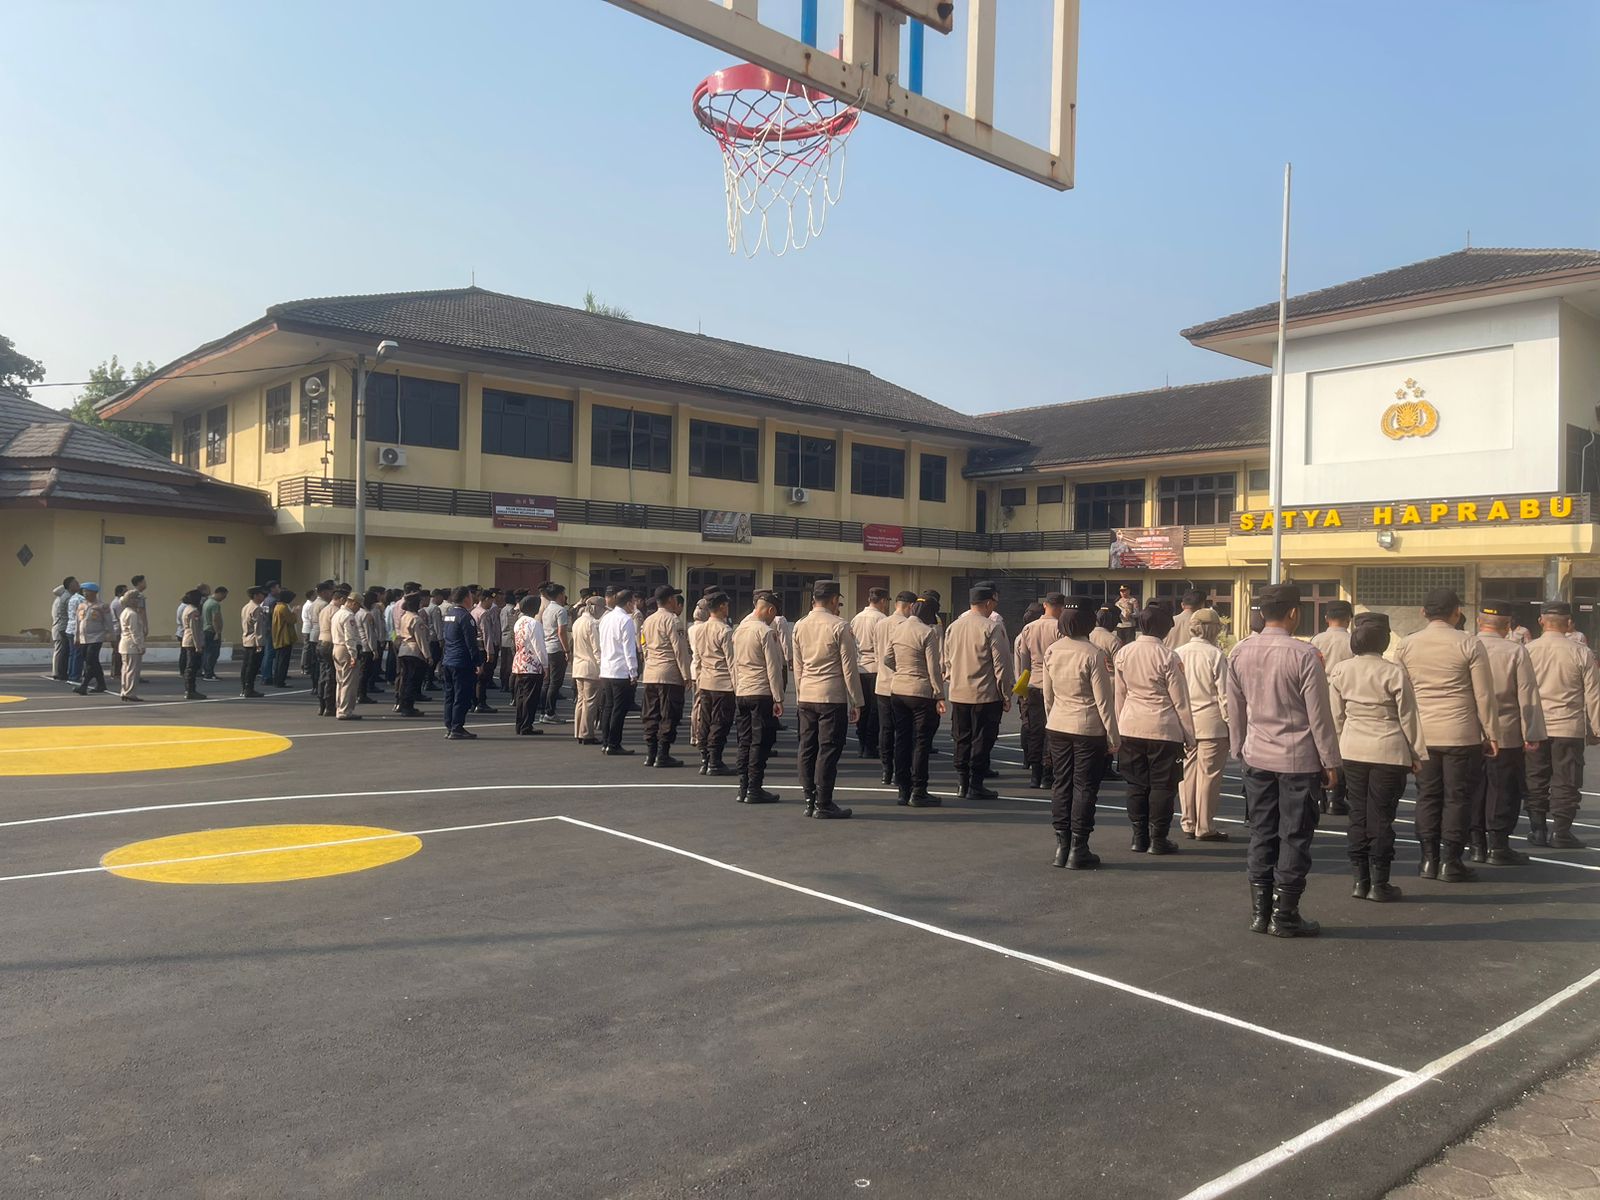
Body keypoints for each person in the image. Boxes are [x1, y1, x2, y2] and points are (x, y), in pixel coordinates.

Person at [1226, 582, 1341, 937]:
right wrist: (1330, 761)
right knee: (1294, 836)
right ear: (1294, 612)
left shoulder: (1239, 652)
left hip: (1256, 755)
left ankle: (1260, 913)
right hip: (1297, 759)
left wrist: (1238, 748)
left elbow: (1235, 708)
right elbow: (1319, 716)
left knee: (1261, 832)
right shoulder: (1304, 655)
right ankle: (1285, 914)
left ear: (1262, 613)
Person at [1394, 587, 1500, 882]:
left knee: (1427, 795)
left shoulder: (1407, 645)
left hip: (1423, 734)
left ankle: (1428, 859)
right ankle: (1451, 860)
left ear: (1423, 612)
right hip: (1461, 733)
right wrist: (1491, 732)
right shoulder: (1469, 643)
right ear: (1457, 612)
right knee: (1458, 797)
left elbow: (1402, 694)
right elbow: (1483, 694)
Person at [1328, 612, 1427, 902]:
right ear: (1384, 642)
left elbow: (1336, 716)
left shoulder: (1341, 670)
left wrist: (1337, 748)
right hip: (1388, 749)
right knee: (1381, 816)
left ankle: (1360, 880)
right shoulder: (1393, 672)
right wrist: (1417, 753)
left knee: (1357, 813)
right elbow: (1408, 717)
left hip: (1352, 749)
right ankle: (1380, 883)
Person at [1041, 597, 1117, 869]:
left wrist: (1053, 719)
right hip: (1087, 727)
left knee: (1061, 783)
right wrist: (1113, 736)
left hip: (1058, 724)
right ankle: (1078, 847)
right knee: (1084, 787)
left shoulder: (1052, 650)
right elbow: (1104, 701)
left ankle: (1061, 845)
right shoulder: (1094, 653)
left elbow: (1048, 695)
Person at [1114, 604, 1196, 855]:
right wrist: (1190, 735)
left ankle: (1138, 836)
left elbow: (1120, 694)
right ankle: (1158, 838)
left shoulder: (1124, 653)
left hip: (1131, 725)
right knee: (1163, 786)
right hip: (1163, 727)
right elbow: (1180, 700)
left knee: (1136, 784)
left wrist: (1118, 726)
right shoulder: (1169, 656)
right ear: (1165, 629)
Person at [1470, 600, 1545, 864]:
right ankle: (1498, 845)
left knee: (1473, 788)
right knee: (1504, 789)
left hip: (1470, 730)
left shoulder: (1466, 645)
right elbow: (1527, 694)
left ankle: (1476, 844)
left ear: (1479, 621)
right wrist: (1532, 733)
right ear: (1508, 625)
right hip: (1506, 731)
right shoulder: (1515, 651)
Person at [1525, 600, 1600, 849]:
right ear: (1568, 623)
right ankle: (1561, 832)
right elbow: (1594, 695)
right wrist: (1597, 728)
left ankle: (1537, 829)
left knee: (1535, 778)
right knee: (1566, 780)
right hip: (1568, 726)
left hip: (1535, 726)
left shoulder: (1527, 651)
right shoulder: (1581, 652)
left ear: (1541, 621)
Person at [792, 579, 862, 819]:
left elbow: (798, 666)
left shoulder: (800, 625)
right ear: (834, 600)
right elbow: (849, 668)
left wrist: (800, 693)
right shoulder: (840, 626)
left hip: (807, 693)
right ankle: (824, 802)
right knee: (828, 749)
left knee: (807, 748)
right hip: (831, 695)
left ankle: (809, 799)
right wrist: (856, 701)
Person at [944, 584, 1015, 800]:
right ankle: (975, 784)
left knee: (961, 738)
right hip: (985, 693)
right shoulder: (992, 627)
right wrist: (1006, 694)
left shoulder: (953, 626)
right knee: (982, 739)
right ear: (988, 603)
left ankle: (962, 782)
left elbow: (947, 661)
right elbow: (1002, 665)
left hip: (959, 693)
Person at [884, 593, 946, 808]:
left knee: (902, 739)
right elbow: (933, 668)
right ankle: (919, 790)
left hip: (898, 690)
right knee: (921, 742)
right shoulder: (927, 633)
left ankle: (903, 789)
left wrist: (902, 671)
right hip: (920, 692)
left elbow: (887, 658)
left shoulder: (898, 629)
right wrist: (939, 694)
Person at [1175, 608, 1230, 842]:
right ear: (1211, 629)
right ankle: (1205, 826)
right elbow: (1225, 695)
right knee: (1209, 776)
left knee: (1187, 774)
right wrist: (1232, 724)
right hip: (1212, 723)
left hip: (1184, 723)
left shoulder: (1178, 653)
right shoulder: (1215, 655)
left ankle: (1188, 821)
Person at [732, 591, 787, 804]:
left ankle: (743, 786)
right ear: (770, 610)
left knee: (744, 740)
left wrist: (737, 688)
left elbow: (734, 664)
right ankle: (755, 788)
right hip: (761, 692)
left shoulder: (739, 630)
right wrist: (778, 698)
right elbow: (773, 668)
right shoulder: (765, 631)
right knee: (760, 741)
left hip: (742, 691)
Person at [1014, 592, 1066, 789]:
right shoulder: (1060, 628)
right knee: (1052, 731)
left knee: (1035, 731)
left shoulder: (1029, 628)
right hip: (1054, 685)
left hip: (1033, 684)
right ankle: (1047, 774)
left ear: (1045, 605)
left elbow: (1024, 662)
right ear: (1061, 607)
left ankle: (1034, 774)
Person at [1310, 600, 1356, 815]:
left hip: (1318, 695)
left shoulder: (1316, 640)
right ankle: (1336, 798)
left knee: (1318, 744)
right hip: (1344, 697)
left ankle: (1318, 796)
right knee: (1341, 746)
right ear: (1349, 619)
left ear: (1326, 618)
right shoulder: (1352, 641)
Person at [640, 585, 691, 767]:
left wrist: (649, 662)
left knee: (651, 714)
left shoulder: (648, 620)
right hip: (669, 673)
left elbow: (643, 645)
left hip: (650, 672)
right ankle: (663, 754)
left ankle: (650, 753)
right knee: (669, 714)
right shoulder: (673, 621)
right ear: (670, 600)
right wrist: (686, 675)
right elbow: (680, 650)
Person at [872, 591, 916, 786]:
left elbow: (877, 654)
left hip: (882, 682)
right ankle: (901, 771)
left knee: (886, 729)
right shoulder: (906, 625)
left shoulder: (881, 624)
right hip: (902, 684)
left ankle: (886, 770)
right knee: (904, 731)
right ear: (911, 606)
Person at [690, 591, 736, 775]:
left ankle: (705, 758)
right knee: (720, 722)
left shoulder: (699, 629)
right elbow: (732, 662)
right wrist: (738, 687)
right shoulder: (725, 631)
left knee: (705, 721)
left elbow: (698, 658)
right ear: (722, 606)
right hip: (722, 683)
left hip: (705, 681)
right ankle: (715, 761)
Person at [597, 588, 640, 755]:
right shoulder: (626, 620)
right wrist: (633, 671)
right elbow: (629, 648)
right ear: (629, 603)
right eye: (633, 602)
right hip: (620, 670)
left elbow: (602, 644)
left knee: (608, 707)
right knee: (619, 709)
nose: (634, 606)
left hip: (606, 669)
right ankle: (614, 744)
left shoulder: (606, 618)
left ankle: (606, 742)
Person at [850, 587, 891, 759]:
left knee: (862, 707)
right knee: (875, 711)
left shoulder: (856, 618)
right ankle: (870, 745)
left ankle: (861, 744)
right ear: (883, 601)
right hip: (875, 668)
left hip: (859, 667)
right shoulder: (882, 619)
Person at [438, 586, 483, 739]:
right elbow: (471, 642)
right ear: (465, 598)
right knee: (462, 696)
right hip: (462, 661)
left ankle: (450, 726)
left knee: (450, 695)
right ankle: (457, 727)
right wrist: (477, 662)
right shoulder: (465, 617)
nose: (472, 599)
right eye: (470, 596)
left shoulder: (449, 615)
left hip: (449, 660)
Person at [508, 594, 548, 735]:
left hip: (519, 663)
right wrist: (545, 665)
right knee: (531, 698)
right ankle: (527, 726)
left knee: (521, 696)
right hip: (532, 665)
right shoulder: (534, 624)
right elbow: (539, 647)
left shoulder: (519, 622)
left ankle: (520, 724)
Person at [570, 594, 604, 745]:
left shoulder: (577, 622)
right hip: (591, 667)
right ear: (595, 608)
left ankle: (578, 731)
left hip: (578, 666)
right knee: (590, 703)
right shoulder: (592, 624)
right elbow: (597, 649)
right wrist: (602, 667)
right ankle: (587, 734)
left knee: (581, 701)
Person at [394, 591, 430, 717]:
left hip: (404, 649)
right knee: (412, 680)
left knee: (405, 679)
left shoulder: (404, 616)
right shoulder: (416, 619)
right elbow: (421, 639)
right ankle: (408, 707)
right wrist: (427, 655)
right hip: (414, 651)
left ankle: (402, 703)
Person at [540, 582, 572, 722]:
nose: (564, 596)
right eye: (563, 594)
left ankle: (543, 711)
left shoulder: (546, 609)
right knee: (555, 682)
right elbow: (561, 632)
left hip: (547, 647)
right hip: (557, 649)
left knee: (547, 682)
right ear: (560, 595)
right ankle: (550, 712)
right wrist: (567, 650)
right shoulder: (560, 610)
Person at [330, 591, 364, 721]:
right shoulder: (349, 616)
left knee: (340, 681)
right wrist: (353, 654)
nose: (358, 609)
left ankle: (339, 708)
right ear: (353, 603)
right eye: (358, 606)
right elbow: (349, 637)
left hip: (336, 647)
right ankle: (345, 710)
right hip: (345, 649)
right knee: (349, 682)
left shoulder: (337, 613)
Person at [72, 584, 109, 695]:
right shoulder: (81, 606)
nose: (85, 594)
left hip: (96, 637)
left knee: (89, 661)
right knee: (93, 661)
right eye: (83, 591)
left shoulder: (102, 606)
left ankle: (84, 685)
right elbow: (78, 623)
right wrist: (76, 637)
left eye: (87, 591)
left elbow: (109, 622)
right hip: (83, 638)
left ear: (94, 592)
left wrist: (111, 635)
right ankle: (101, 684)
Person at [471, 589, 502, 714]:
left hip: (475, 647)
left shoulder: (473, 611)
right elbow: (487, 634)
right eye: (491, 600)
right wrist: (490, 652)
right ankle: (481, 703)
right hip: (483, 648)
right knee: (483, 678)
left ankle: (474, 702)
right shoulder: (484, 613)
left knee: (475, 676)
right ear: (486, 599)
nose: (492, 603)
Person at [315, 586, 343, 717]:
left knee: (323, 674)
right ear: (339, 599)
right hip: (330, 642)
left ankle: (321, 705)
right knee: (331, 676)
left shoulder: (324, 609)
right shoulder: (336, 611)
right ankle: (329, 706)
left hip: (321, 641)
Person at [117, 588, 147, 703]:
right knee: (133, 671)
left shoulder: (125, 612)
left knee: (126, 670)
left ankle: (125, 691)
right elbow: (135, 632)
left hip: (125, 644)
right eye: (137, 599)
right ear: (132, 600)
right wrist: (140, 646)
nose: (139, 602)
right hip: (132, 646)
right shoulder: (132, 614)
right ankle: (130, 693)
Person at [241, 586, 271, 698]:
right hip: (254, 641)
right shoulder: (257, 609)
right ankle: (249, 689)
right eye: (262, 594)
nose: (263, 597)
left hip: (247, 639)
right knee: (252, 667)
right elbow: (258, 628)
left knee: (246, 666)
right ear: (256, 595)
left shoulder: (246, 607)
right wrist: (259, 644)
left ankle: (244, 688)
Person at [178, 589, 206, 700]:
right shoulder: (194, 611)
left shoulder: (187, 608)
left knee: (190, 666)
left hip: (187, 639)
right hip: (192, 641)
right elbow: (194, 629)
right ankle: (190, 690)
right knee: (192, 667)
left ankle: (190, 689)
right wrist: (198, 645)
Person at [50, 579, 78, 680]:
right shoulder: (65, 599)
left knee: (61, 651)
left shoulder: (58, 600)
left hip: (59, 627)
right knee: (61, 651)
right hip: (61, 627)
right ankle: (58, 672)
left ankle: (58, 672)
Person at [270, 590, 298, 687]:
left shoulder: (277, 606)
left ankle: (277, 680)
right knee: (283, 661)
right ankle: (280, 681)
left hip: (278, 636)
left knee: (279, 660)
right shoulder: (283, 607)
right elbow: (292, 620)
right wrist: (294, 612)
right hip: (284, 637)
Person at [201, 586, 226, 681]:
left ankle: (206, 671)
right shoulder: (215, 604)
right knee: (213, 653)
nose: (223, 598)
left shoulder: (207, 602)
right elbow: (215, 619)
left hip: (205, 630)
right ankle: (209, 674)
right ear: (219, 593)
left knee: (207, 652)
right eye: (224, 596)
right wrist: (217, 632)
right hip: (212, 631)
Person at [108, 583, 128, 685]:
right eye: (125, 591)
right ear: (120, 593)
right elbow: (122, 617)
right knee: (118, 652)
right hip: (118, 630)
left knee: (117, 652)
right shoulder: (119, 603)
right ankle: (117, 673)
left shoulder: (114, 602)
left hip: (116, 629)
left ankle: (115, 672)